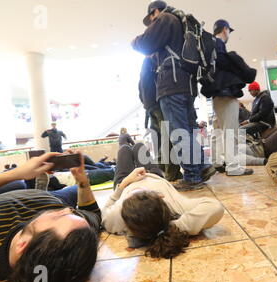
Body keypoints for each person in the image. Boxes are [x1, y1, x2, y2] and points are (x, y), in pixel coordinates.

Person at [0, 152, 101, 282]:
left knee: (17, 183)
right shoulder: (74, 236)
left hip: (4, 201)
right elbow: (92, 213)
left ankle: (37, 185)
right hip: (53, 200)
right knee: (76, 189)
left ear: (22, 245)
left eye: (58, 216)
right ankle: (42, 187)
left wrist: (13, 174)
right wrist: (81, 179)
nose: (68, 210)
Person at [131, 0, 215, 191]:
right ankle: (203, 166)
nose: (151, 21)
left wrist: (133, 41)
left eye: (151, 17)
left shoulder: (165, 18)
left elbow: (144, 44)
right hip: (186, 85)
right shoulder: (180, 22)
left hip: (171, 85)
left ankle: (193, 176)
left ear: (156, 11)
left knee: (179, 134)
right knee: (188, 130)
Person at [102, 146, 224, 259]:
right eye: (146, 193)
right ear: (161, 198)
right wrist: (171, 227)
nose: (139, 190)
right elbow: (215, 207)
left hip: (125, 181)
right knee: (139, 146)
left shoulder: (118, 215)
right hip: (152, 174)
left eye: (133, 195)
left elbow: (104, 213)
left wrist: (124, 185)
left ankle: (126, 139)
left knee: (124, 149)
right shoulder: (176, 206)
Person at [210, 19, 254, 176]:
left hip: (216, 94)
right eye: (228, 31)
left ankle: (217, 162)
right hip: (225, 93)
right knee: (231, 131)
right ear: (225, 29)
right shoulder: (218, 43)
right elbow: (222, 61)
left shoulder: (210, 44)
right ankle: (233, 166)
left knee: (218, 130)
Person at [139, 55, 182, 182]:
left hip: (150, 106)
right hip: (158, 103)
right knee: (167, 138)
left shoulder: (145, 66)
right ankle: (170, 173)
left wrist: (147, 105)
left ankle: (161, 169)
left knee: (158, 139)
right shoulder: (154, 60)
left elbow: (140, 89)